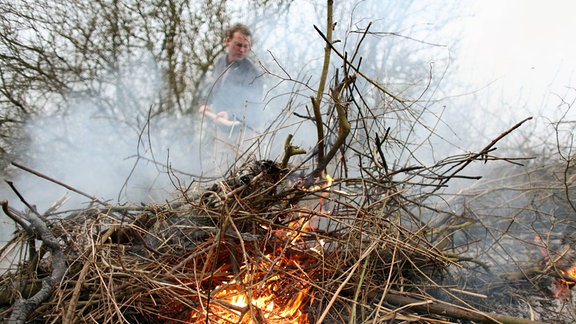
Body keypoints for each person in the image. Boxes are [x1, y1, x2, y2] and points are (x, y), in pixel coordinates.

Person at [199, 23, 264, 130]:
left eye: (246, 46)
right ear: (228, 41)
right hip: (222, 130)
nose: (242, 50)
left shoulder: (253, 74)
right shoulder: (220, 62)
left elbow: (254, 109)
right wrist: (205, 102)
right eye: (238, 45)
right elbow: (213, 86)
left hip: (245, 133)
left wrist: (230, 114)